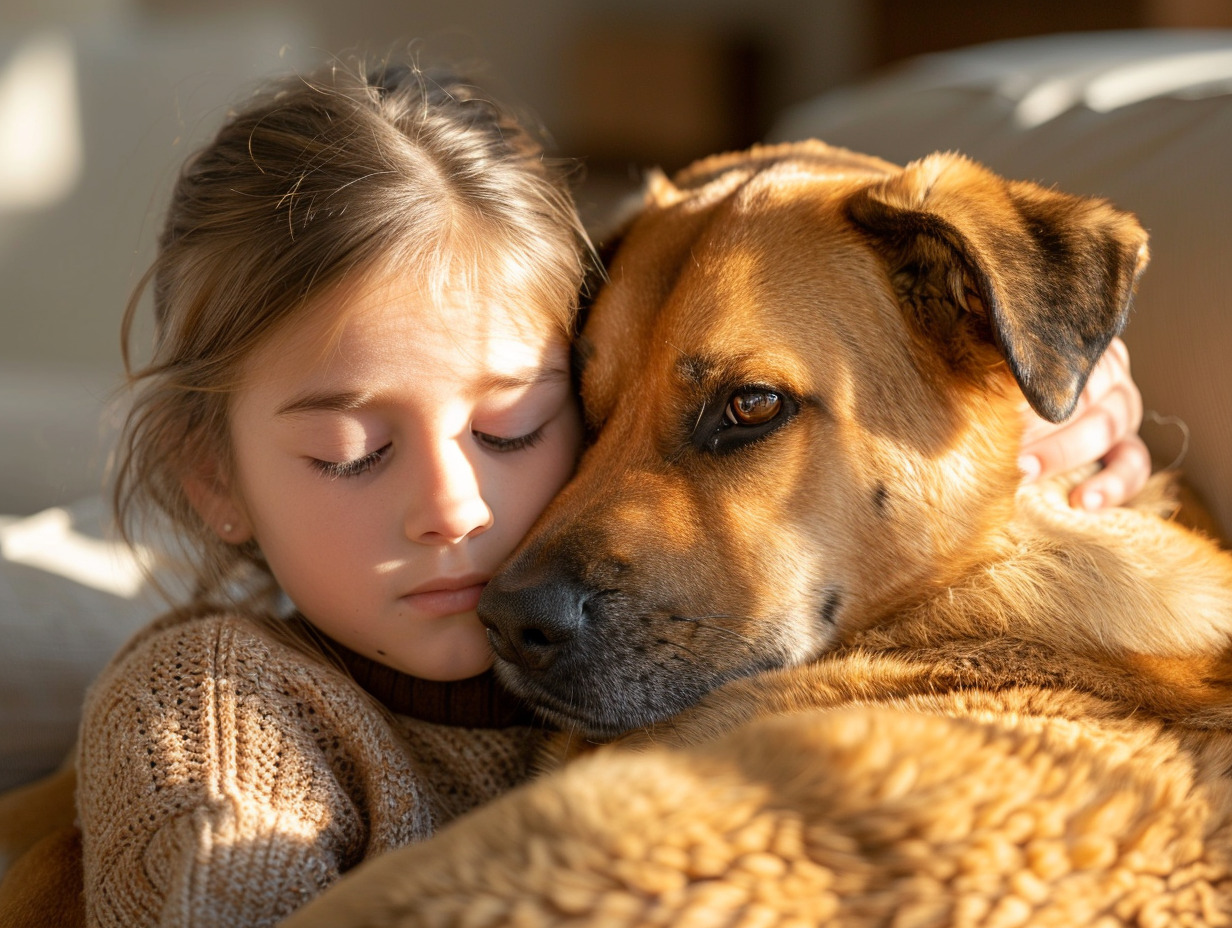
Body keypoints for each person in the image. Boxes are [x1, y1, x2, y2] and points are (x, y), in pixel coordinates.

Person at [72, 53, 1149, 928]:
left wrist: (1030, 382)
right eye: (354, 450)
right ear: (211, 477)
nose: (458, 512)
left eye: (516, 426)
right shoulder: (220, 705)